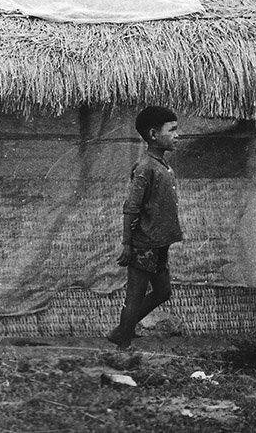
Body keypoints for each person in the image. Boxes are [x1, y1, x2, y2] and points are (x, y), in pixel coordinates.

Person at [108, 106, 184, 348]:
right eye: (171, 130)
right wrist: (127, 244)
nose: (177, 135)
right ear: (153, 134)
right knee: (134, 296)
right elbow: (131, 207)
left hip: (159, 242)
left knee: (163, 292)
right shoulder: (145, 167)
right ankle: (122, 347)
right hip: (143, 245)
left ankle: (121, 331)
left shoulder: (160, 164)